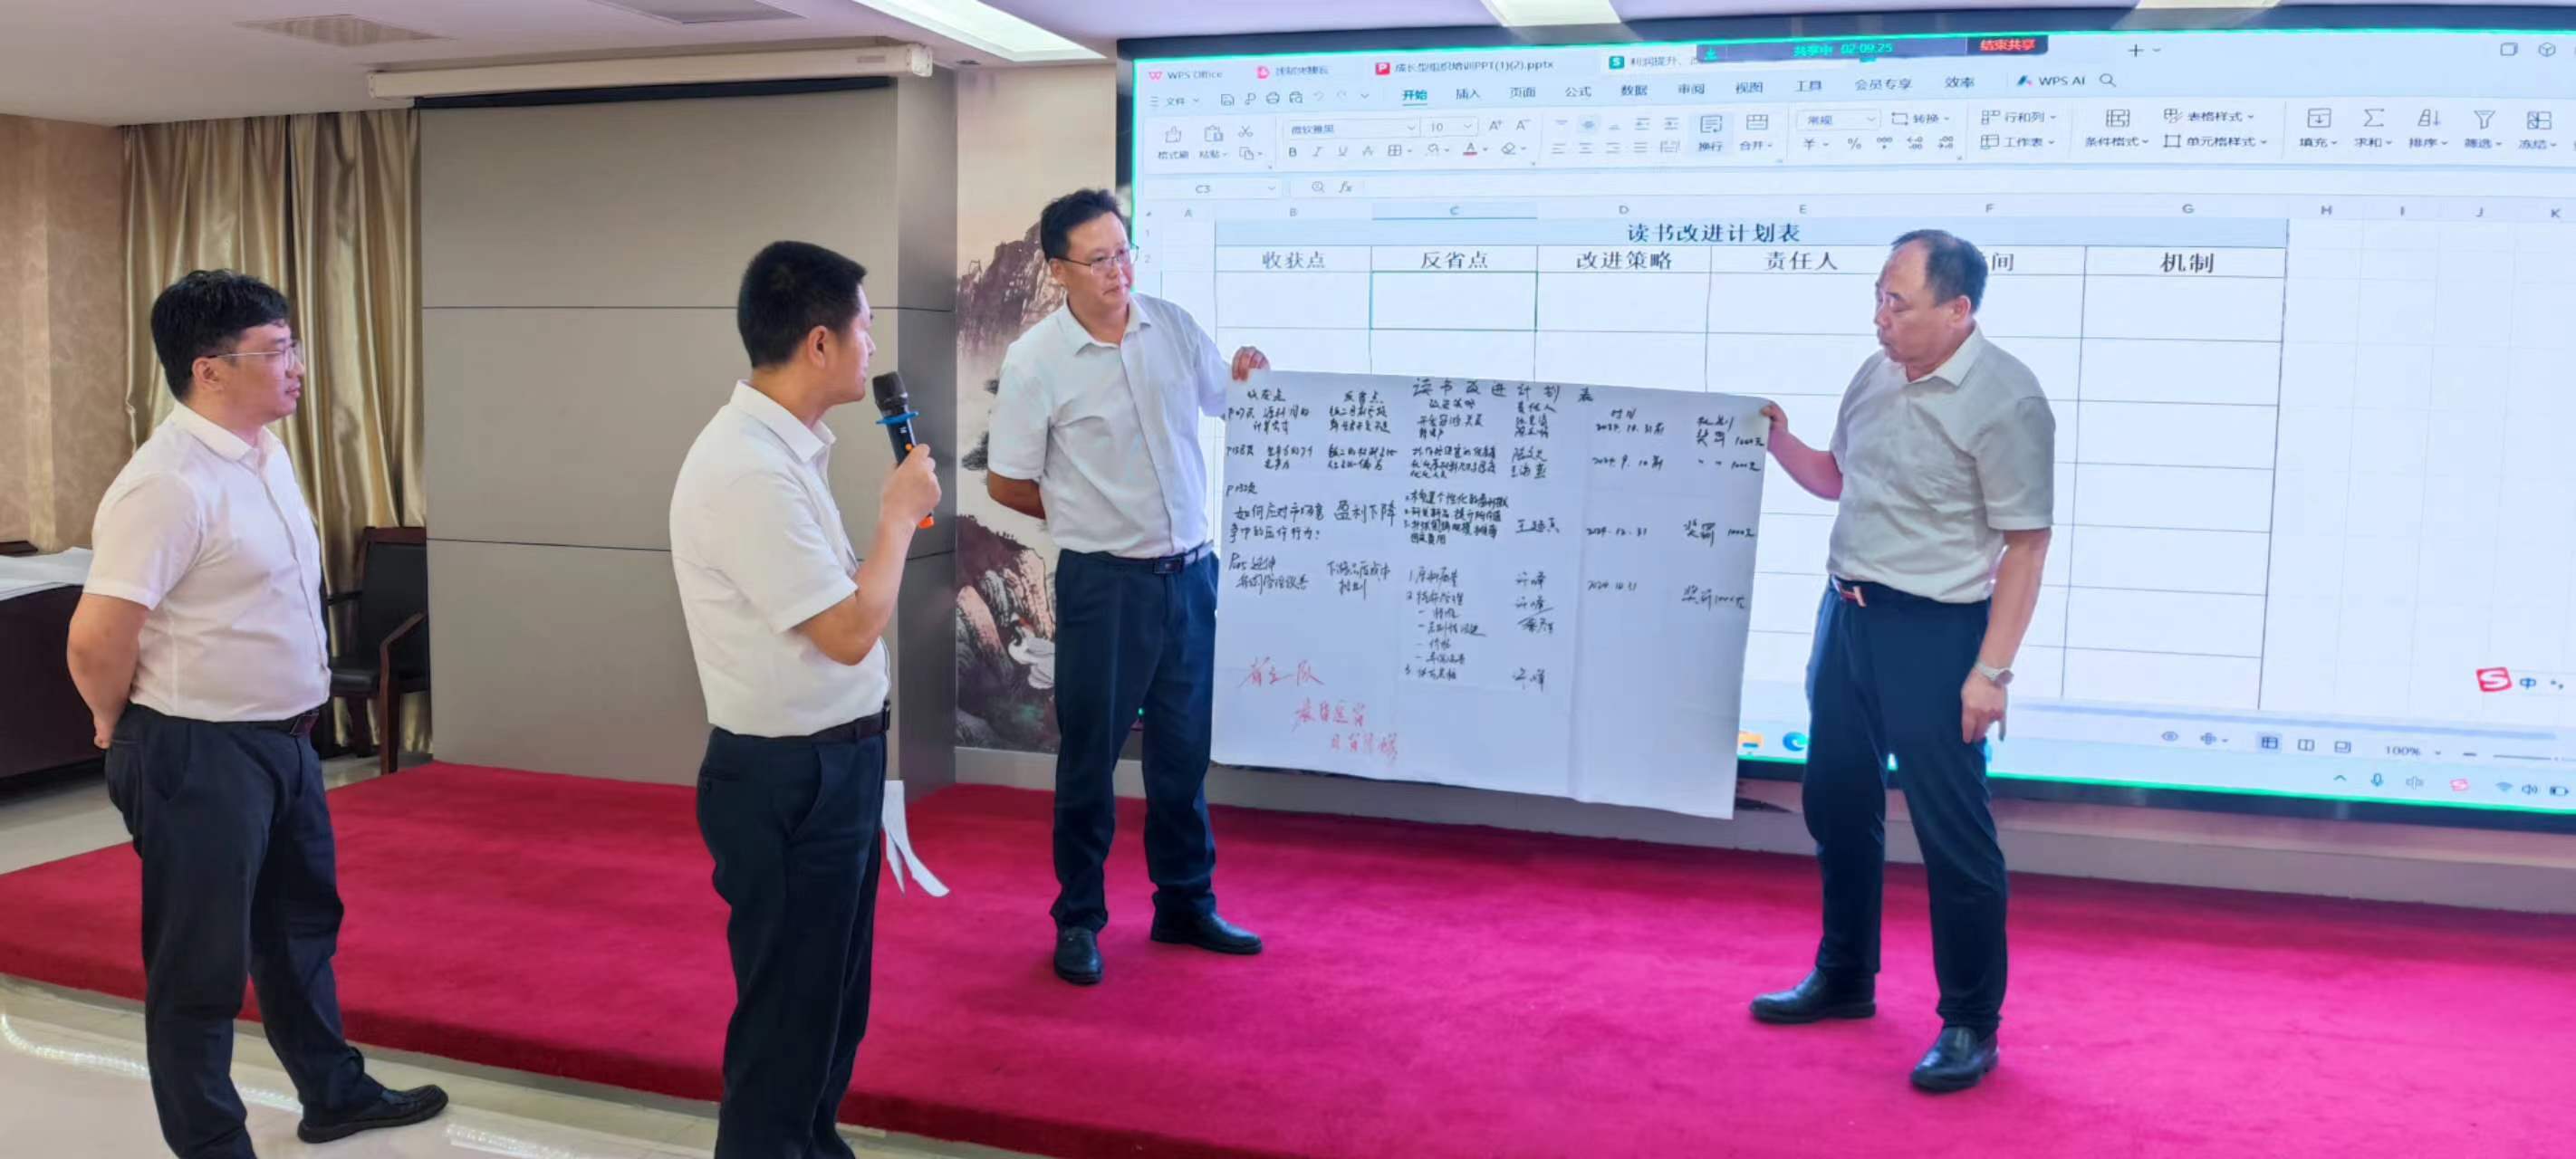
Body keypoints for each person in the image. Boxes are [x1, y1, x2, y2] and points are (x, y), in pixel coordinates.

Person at [65, 270, 447, 1157]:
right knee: (199, 966)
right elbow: (96, 637)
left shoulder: (265, 452)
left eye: (293, 346)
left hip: (284, 741)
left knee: (299, 930)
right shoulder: (166, 484)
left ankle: (334, 1094)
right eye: (276, 352)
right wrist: (114, 725)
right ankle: (211, 1143)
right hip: (196, 749)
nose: (297, 367)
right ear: (209, 370)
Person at [1751, 230, 2054, 1094]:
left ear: (1959, 311)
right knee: (1836, 804)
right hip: (1846, 619)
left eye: (1898, 302)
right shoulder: (1875, 373)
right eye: (1878, 298)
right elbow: (1837, 478)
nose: (1880, 317)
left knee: (1953, 832)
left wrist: (1991, 673)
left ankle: (1970, 1023)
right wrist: (1774, 438)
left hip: (1938, 633)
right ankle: (1845, 976)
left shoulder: (2008, 400)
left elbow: (2027, 546)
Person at [669, 240, 940, 1157]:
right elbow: (848, 631)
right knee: (788, 1024)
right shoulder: (747, 468)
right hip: (788, 778)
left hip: (836, 763)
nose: (874, 346)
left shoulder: (786, 450)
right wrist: (897, 517)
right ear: (819, 342)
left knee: (830, 1008)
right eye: (866, 327)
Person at [985, 188, 1270, 986]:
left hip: (1192, 576)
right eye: (1099, 259)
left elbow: (1227, 400)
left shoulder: (1170, 326)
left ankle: (1185, 903)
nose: (1120, 271)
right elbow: (1007, 481)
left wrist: (1249, 376)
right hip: (1105, 585)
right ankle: (1079, 919)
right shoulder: (1037, 360)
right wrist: (1084, 513)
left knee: (1182, 754)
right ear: (1058, 270)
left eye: (1124, 251)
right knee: (1090, 760)